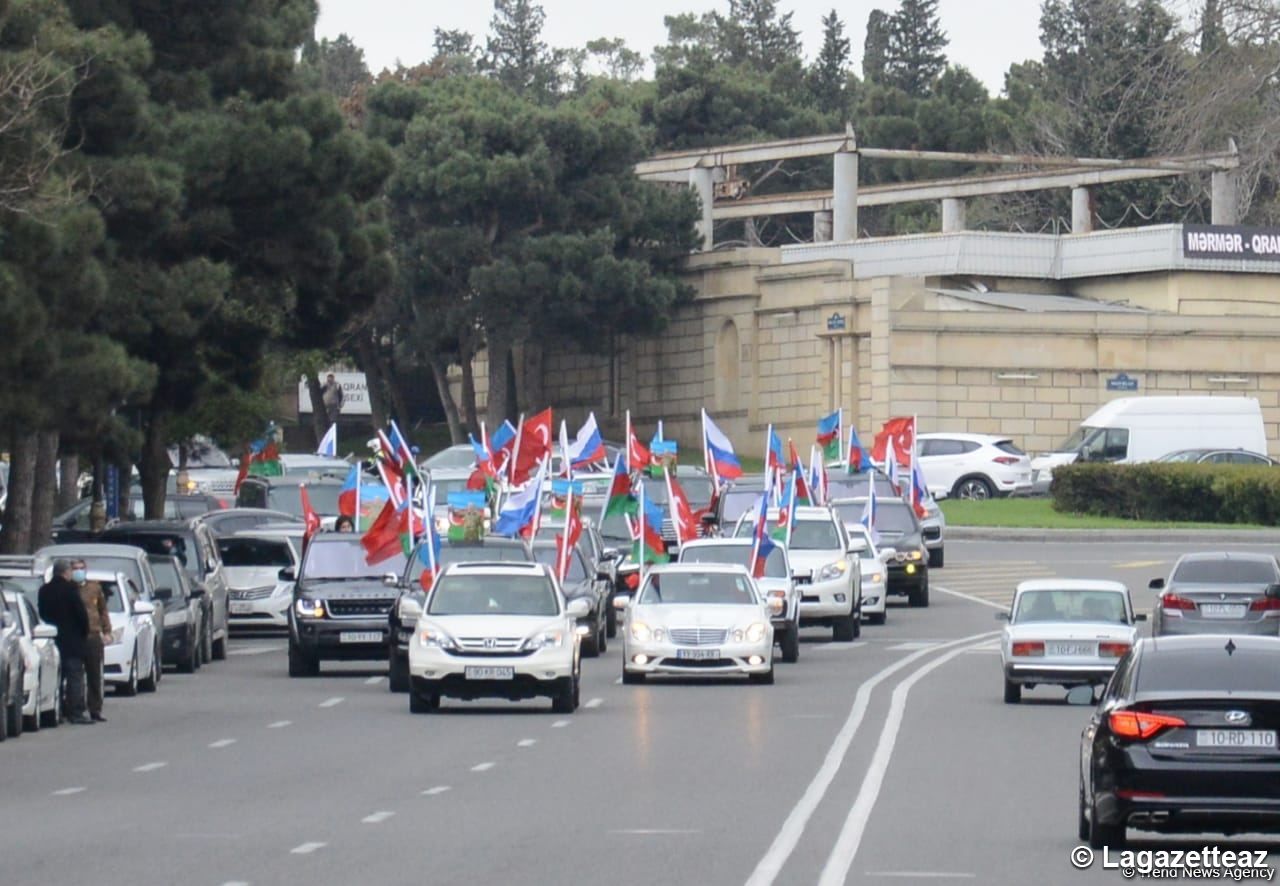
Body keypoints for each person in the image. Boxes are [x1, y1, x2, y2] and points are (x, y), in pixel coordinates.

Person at [38, 559, 92, 725]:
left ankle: (58, 710)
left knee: (57, 677)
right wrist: (84, 631)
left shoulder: (44, 590)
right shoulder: (71, 590)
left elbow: (42, 612)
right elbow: (81, 615)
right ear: (65, 572)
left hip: (52, 638)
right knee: (74, 676)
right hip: (72, 639)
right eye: (70, 571)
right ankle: (75, 712)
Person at [72, 559, 111, 722]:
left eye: (81, 568)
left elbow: (103, 611)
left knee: (94, 674)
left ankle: (95, 708)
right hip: (75, 636)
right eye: (75, 569)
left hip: (93, 635)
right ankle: (76, 708)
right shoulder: (69, 589)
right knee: (75, 674)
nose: (78, 571)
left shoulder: (94, 588)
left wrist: (107, 631)